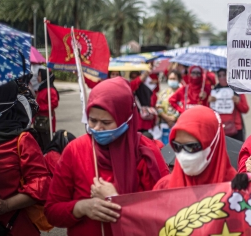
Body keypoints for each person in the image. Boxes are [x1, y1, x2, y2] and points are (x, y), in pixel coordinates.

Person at [45, 77, 169, 236]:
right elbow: (51, 211)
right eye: (92, 120)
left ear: (126, 118)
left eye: (106, 122)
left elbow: (165, 214)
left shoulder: (148, 152)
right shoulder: (75, 151)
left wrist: (118, 200)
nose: (97, 128)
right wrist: (81, 207)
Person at [0, 81, 51, 235]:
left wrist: (7, 205)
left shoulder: (22, 140)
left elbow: (41, 184)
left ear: (6, 98)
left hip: (13, 226)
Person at [154, 106, 236, 189]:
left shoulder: (238, 190)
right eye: (176, 146)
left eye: (191, 147)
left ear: (213, 144)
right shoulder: (163, 188)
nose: (183, 155)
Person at [209, 68, 249, 142]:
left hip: (236, 128)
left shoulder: (237, 90)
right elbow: (209, 113)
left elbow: (245, 109)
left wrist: (238, 102)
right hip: (219, 128)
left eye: (224, 75)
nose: (222, 78)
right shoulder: (213, 91)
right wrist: (209, 102)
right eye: (219, 76)